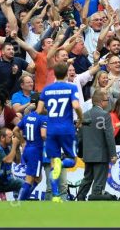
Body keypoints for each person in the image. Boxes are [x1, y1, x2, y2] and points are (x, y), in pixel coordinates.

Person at [36, 61, 82, 202]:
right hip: (66, 129)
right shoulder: (71, 87)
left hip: (51, 130)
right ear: (67, 73)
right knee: (72, 161)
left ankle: (55, 196)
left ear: (54, 74)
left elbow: (39, 110)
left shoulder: (47, 89)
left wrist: (50, 110)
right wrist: (81, 118)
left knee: (52, 162)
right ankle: (61, 164)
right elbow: (76, 105)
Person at [77, 90, 116, 201]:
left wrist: (81, 154)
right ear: (101, 102)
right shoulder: (105, 115)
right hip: (101, 155)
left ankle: (80, 198)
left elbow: (80, 137)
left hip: (88, 154)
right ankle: (96, 199)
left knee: (87, 178)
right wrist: (113, 154)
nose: (108, 102)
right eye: (107, 100)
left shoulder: (84, 115)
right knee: (99, 181)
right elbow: (109, 136)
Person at [15, 109, 47, 201]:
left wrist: (22, 142)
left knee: (38, 178)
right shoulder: (43, 118)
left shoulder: (27, 117)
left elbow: (15, 130)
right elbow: (43, 135)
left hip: (27, 149)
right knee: (29, 179)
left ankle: (24, 199)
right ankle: (20, 201)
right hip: (36, 152)